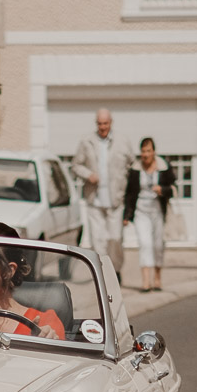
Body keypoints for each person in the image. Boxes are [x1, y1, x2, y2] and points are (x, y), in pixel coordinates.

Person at [72, 108, 126, 270]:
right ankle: (103, 273)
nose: (103, 127)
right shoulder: (87, 141)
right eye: (100, 123)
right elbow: (76, 165)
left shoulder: (122, 141)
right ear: (96, 124)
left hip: (115, 199)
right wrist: (88, 175)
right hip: (94, 198)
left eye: (106, 123)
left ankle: (115, 269)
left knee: (115, 238)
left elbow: (131, 165)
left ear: (111, 122)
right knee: (98, 240)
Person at [121, 137, 176, 292]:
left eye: (148, 151)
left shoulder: (164, 167)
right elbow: (130, 193)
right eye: (143, 151)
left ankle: (157, 279)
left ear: (154, 152)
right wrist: (127, 215)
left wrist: (162, 190)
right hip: (141, 211)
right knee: (145, 243)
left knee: (158, 244)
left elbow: (172, 188)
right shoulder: (135, 169)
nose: (145, 155)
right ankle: (146, 281)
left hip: (158, 210)